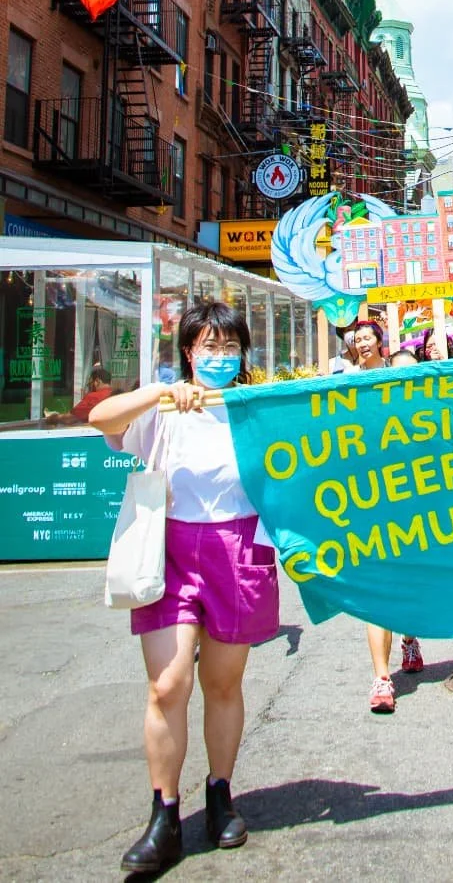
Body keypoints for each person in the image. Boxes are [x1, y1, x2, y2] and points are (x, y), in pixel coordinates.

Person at [88, 300, 279, 871]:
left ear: (243, 354)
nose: (220, 357)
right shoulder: (162, 408)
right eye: (208, 346)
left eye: (230, 347)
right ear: (189, 352)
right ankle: (164, 814)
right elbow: (102, 419)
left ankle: (220, 793)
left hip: (239, 548)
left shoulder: (255, 408)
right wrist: (159, 392)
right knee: (168, 685)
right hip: (169, 549)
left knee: (223, 683)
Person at [343, 319, 423, 707]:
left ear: (380, 343)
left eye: (367, 338)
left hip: (407, 499)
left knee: (405, 582)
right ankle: (381, 679)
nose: (361, 343)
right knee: (377, 587)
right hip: (367, 500)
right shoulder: (344, 383)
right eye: (356, 339)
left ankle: (409, 639)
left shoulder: (401, 380)